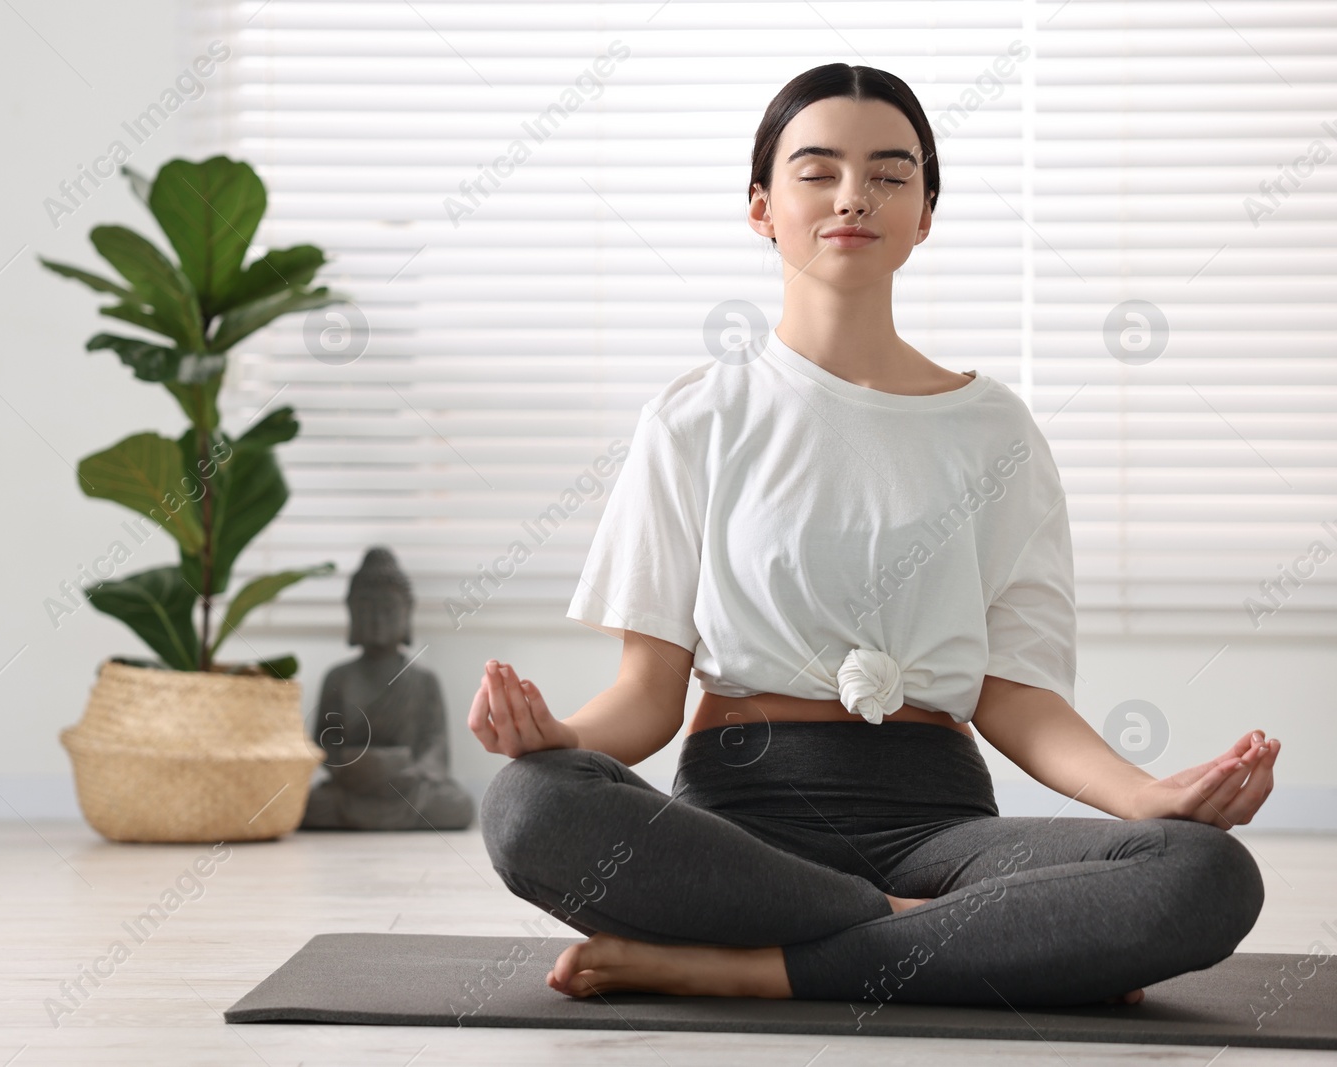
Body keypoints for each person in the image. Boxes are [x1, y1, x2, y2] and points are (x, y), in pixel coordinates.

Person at [466, 63, 1278, 1009]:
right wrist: (554, 737)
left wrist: (1147, 797)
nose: (855, 195)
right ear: (763, 207)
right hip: (738, 826)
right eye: (819, 171)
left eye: (891, 175)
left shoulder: (996, 430)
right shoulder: (694, 418)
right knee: (531, 804)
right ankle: (944, 938)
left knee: (1205, 873)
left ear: (925, 213)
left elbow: (1016, 696)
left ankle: (752, 965)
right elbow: (647, 700)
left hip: (939, 828)